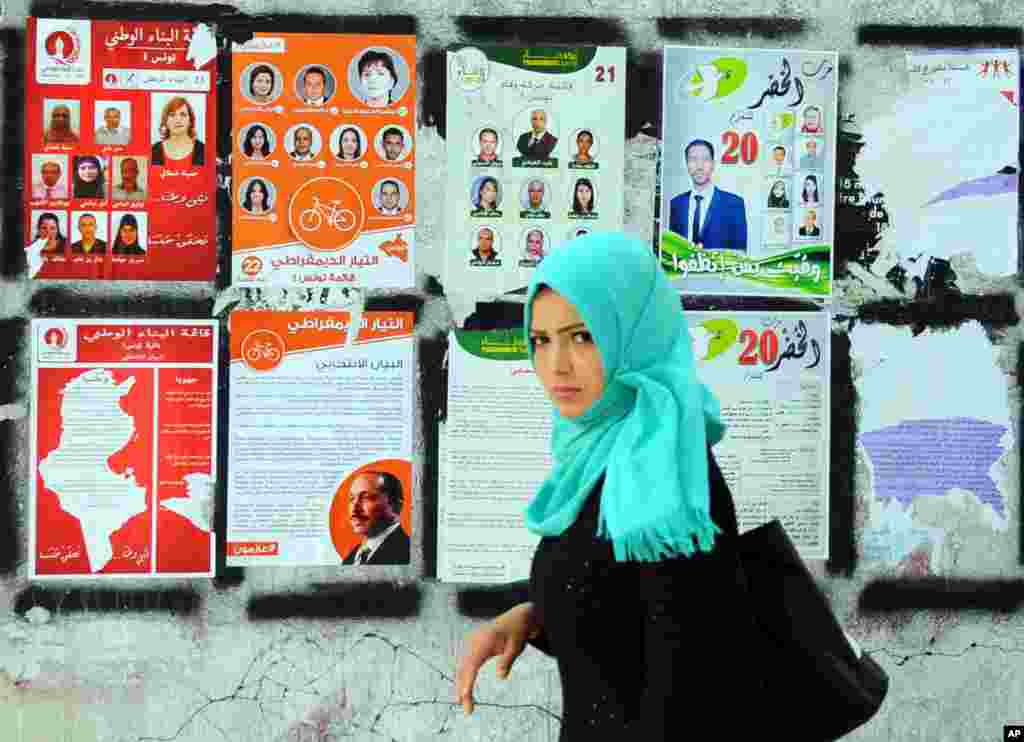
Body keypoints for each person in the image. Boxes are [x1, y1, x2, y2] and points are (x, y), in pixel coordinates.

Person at [455, 232, 765, 739]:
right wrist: (530, 616)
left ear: (634, 334)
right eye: (541, 340)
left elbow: (695, 687)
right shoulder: (603, 456)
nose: (555, 365)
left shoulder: (667, 476)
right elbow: (619, 612)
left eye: (583, 337)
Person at [668, 139, 747, 252]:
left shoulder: (734, 204)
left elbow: (740, 254)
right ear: (686, 164)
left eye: (705, 159)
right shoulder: (676, 204)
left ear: (713, 164)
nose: (699, 166)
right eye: (693, 159)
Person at [341, 470, 410, 565]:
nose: (354, 508)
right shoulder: (350, 559)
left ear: (395, 505)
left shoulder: (408, 553)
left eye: (366, 497)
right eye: (351, 499)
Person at [151, 97, 205, 166]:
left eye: (183, 115)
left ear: (190, 121)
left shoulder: (204, 150)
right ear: (165, 121)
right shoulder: (153, 151)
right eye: (172, 115)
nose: (178, 120)